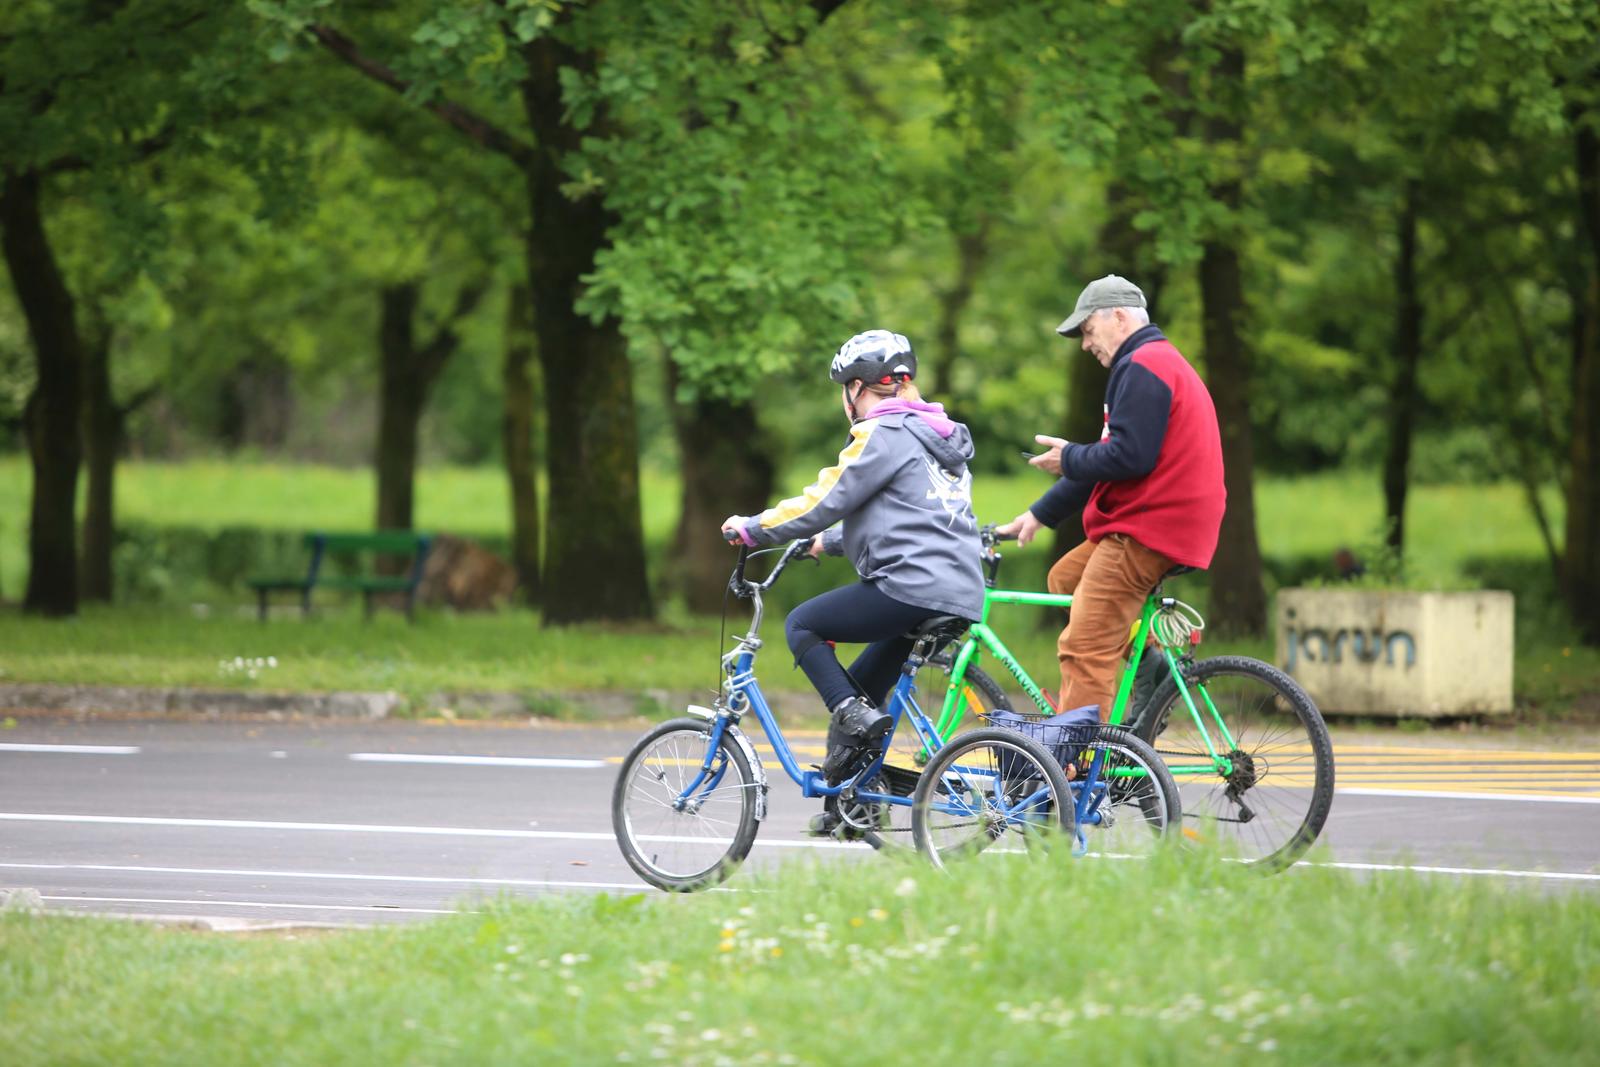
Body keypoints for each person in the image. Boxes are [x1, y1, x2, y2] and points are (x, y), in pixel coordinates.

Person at [721, 329, 984, 825]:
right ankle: (850, 811)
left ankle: (852, 725)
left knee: (803, 626)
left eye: (845, 389)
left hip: (910, 585)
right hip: (958, 589)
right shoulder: (938, 436)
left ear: (858, 388)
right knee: (860, 690)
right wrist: (832, 542)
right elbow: (913, 515)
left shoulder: (882, 433)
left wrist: (753, 528)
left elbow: (824, 499)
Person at [997, 274, 1225, 720]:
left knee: (1084, 647)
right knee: (1065, 579)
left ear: (1118, 317)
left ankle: (1078, 756)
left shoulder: (1143, 365)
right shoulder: (1154, 362)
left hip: (1147, 527)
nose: (1086, 345)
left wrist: (1070, 457)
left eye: (1087, 330)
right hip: (1166, 521)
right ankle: (1151, 664)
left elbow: (1128, 457)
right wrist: (1039, 515)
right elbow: (1107, 460)